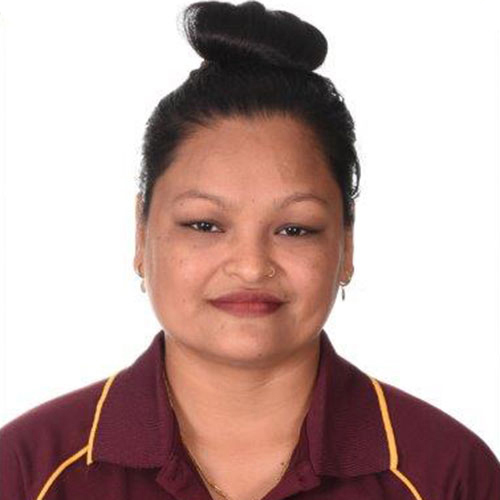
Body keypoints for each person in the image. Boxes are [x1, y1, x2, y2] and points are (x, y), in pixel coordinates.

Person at [1, 1, 499, 499]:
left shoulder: (448, 474)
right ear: (140, 233)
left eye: (295, 229)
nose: (251, 266)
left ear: (346, 245)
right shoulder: (27, 470)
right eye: (204, 224)